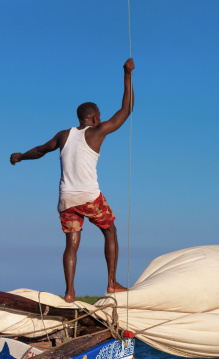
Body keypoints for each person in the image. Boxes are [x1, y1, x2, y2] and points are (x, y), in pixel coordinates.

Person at [10, 58, 135, 302]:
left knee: (72, 244)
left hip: (66, 199)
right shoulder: (97, 132)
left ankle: (69, 292)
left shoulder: (64, 135)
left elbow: (39, 151)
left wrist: (20, 156)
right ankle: (111, 283)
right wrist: (127, 75)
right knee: (110, 231)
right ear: (95, 118)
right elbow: (126, 110)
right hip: (89, 197)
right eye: (99, 115)